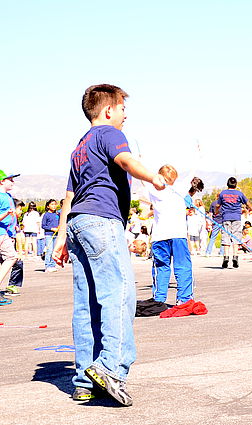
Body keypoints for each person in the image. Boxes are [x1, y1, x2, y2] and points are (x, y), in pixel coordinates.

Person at [52, 84, 167, 406]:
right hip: (102, 222)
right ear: (107, 111)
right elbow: (128, 161)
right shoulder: (108, 133)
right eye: (122, 108)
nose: (125, 115)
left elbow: (69, 193)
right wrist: (153, 178)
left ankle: (83, 381)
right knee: (119, 296)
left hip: (78, 224)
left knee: (86, 305)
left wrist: (62, 236)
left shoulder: (80, 146)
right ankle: (111, 368)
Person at [143, 164, 196, 309]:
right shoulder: (180, 188)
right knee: (183, 266)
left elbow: (142, 179)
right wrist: (198, 153)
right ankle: (184, 300)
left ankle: (159, 299)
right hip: (178, 234)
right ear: (175, 178)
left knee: (161, 268)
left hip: (160, 236)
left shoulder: (152, 190)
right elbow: (192, 170)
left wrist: (140, 160)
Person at [214, 177, 252, 268]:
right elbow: (247, 203)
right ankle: (235, 256)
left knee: (226, 237)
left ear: (227, 184)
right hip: (236, 217)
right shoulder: (239, 194)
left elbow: (218, 205)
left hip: (226, 217)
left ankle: (226, 256)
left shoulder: (223, 193)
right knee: (236, 236)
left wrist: (216, 211)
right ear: (235, 184)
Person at [0, 170, 21, 304]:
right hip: (1, 233)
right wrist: (7, 214)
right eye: (10, 179)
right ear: (2, 181)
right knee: (11, 257)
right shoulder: (1, 197)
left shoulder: (7, 196)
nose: (13, 182)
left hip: (6, 233)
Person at [41, 199, 60, 272]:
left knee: (55, 251)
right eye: (52, 204)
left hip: (56, 235)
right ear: (48, 206)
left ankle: (53, 265)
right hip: (49, 235)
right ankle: (47, 265)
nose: (54, 206)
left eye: (55, 204)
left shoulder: (57, 214)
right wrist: (52, 229)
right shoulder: (46, 215)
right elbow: (43, 226)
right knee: (49, 250)